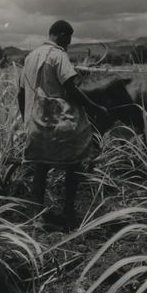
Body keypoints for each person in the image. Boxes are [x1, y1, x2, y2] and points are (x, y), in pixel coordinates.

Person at [18, 20, 108, 227]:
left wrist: (26, 120)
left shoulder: (30, 57)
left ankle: (37, 216)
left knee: (40, 169)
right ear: (62, 35)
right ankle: (68, 211)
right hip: (57, 123)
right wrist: (93, 107)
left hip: (35, 122)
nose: (68, 43)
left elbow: (20, 93)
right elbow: (71, 89)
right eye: (68, 39)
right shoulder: (59, 55)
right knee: (75, 163)